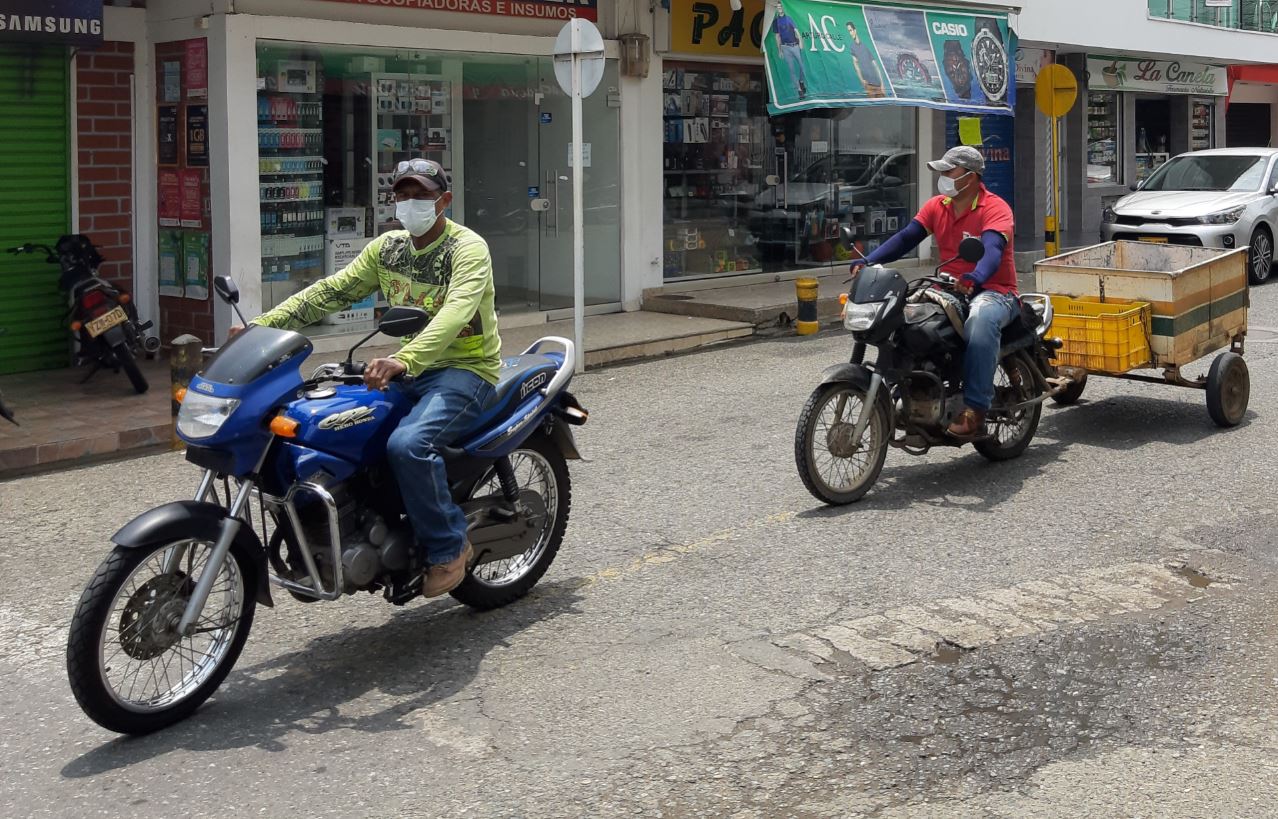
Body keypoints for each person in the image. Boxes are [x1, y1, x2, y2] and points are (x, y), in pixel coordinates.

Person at [244, 158, 502, 597]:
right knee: (331, 429)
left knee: (408, 445)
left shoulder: (466, 248)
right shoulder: (388, 248)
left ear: (445, 200)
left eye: (420, 195)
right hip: (407, 366)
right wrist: (262, 327)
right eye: (402, 195)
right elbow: (332, 291)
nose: (409, 203)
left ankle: (448, 548)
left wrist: (406, 358)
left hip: (463, 370)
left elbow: (456, 311)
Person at [849, 146, 1018, 438]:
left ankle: (976, 410)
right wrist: (870, 261)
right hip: (949, 287)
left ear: (971, 176)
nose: (943, 177)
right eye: (941, 171)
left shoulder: (994, 208)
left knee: (980, 321)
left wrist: (975, 276)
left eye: (949, 171)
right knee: (904, 317)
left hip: (994, 290)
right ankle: (912, 387)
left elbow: (992, 250)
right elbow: (906, 238)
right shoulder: (937, 206)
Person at [771, 1, 807, 98]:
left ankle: (801, 81)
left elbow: (796, 31)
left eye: (780, 7)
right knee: (791, 70)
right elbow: (777, 37)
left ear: (783, 8)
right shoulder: (775, 22)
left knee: (802, 66)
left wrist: (801, 43)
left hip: (795, 45)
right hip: (785, 47)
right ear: (776, 9)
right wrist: (779, 50)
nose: (779, 9)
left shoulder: (789, 18)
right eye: (777, 7)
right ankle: (799, 90)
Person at [845, 22, 885, 98]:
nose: (850, 33)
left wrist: (882, 84)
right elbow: (856, 66)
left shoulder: (865, 46)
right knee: (872, 108)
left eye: (851, 30)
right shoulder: (852, 47)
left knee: (883, 107)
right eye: (849, 31)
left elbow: (876, 65)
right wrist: (862, 80)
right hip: (869, 86)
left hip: (878, 85)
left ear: (855, 30)